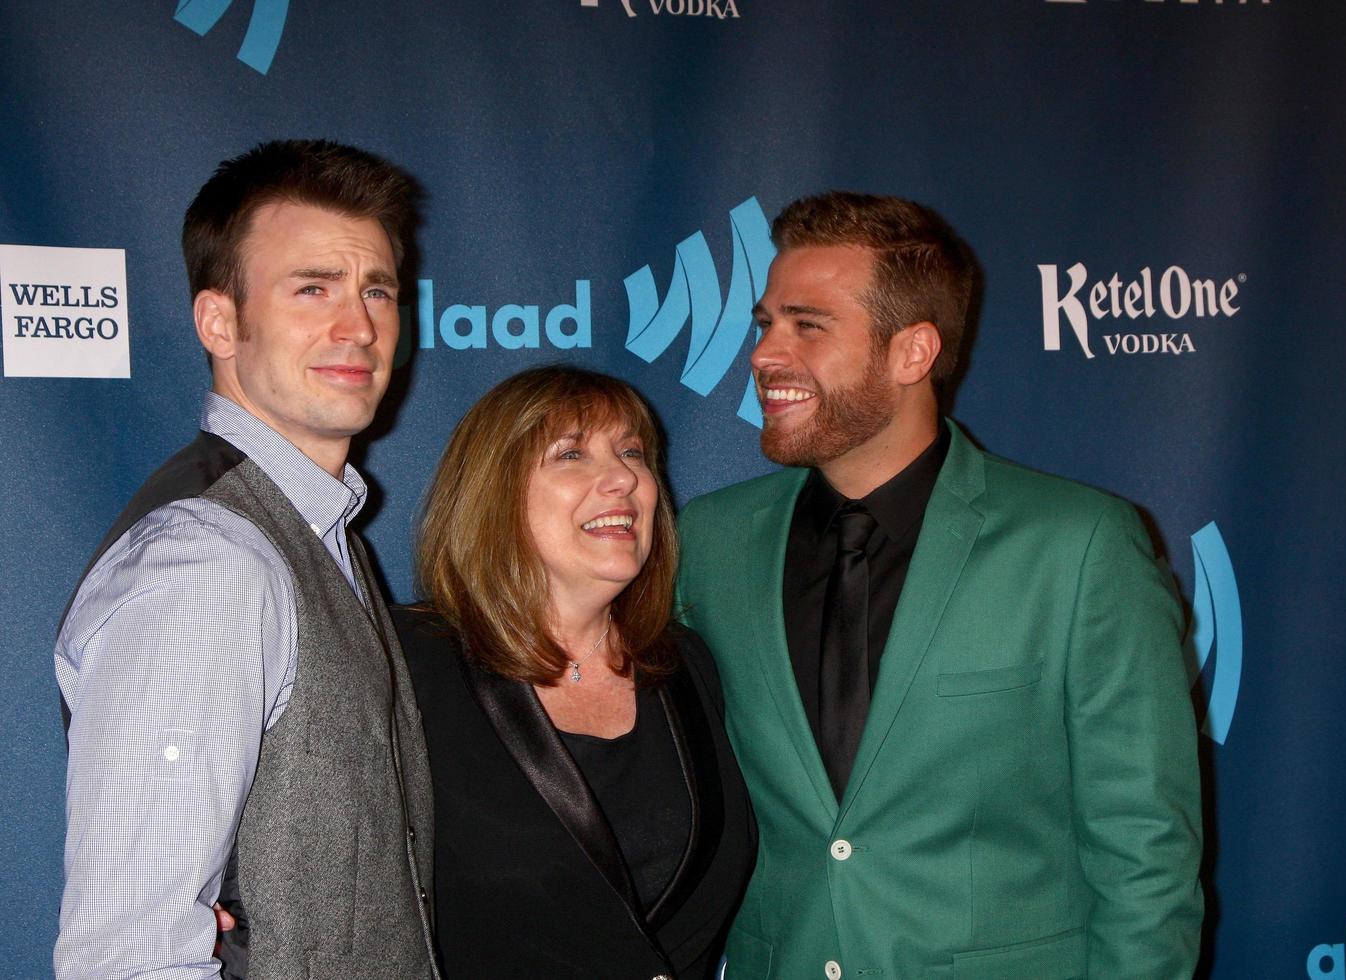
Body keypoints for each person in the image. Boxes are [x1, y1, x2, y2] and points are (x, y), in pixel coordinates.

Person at [676, 192, 1204, 979]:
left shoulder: (1078, 546)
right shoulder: (709, 542)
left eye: (807, 325)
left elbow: (1146, 856)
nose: (763, 355)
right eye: (765, 324)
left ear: (912, 353)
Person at [54, 140, 438, 980]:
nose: (359, 327)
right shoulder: (209, 563)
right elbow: (130, 954)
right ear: (218, 321)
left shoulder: (319, 533)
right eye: (312, 289)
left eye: (377, 290)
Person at [393, 366, 755, 980]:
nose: (623, 477)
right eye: (571, 455)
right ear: (493, 493)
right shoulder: (402, 662)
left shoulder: (685, 665)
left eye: (632, 452)